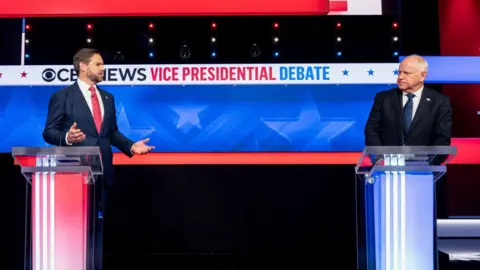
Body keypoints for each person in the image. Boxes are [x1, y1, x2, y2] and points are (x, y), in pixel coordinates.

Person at [42, 48, 154, 269]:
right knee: (74, 229)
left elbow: (110, 133)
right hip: (74, 176)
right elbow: (48, 132)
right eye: (98, 64)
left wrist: (131, 146)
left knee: (98, 228)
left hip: (102, 174)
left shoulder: (107, 98)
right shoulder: (62, 96)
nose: (103, 68)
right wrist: (67, 137)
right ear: (83, 66)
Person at [365, 54, 452, 147]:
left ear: (422, 75)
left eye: (406, 73)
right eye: (399, 72)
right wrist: (379, 159)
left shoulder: (440, 102)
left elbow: (442, 139)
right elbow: (371, 131)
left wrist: (429, 161)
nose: (400, 77)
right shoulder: (383, 98)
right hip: (388, 160)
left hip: (424, 160)